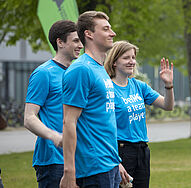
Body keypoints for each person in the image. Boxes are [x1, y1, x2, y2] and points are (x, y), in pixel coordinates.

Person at [60, 11, 121, 188]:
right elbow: (68, 121)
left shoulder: (100, 69)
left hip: (109, 164)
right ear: (89, 34)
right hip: (93, 169)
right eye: (106, 29)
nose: (113, 33)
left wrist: (117, 162)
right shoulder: (81, 69)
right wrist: (69, 171)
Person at [104, 41, 174, 188]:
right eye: (126, 58)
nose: (132, 62)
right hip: (121, 150)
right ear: (114, 61)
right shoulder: (107, 88)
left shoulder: (139, 86)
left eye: (133, 57)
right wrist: (116, 160)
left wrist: (168, 85)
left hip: (142, 151)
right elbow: (102, 128)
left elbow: (168, 106)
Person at [24, 20, 82, 188]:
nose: (80, 45)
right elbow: (29, 118)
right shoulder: (43, 73)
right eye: (76, 40)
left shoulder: (78, 72)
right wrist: (54, 136)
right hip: (54, 160)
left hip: (79, 158)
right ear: (60, 42)